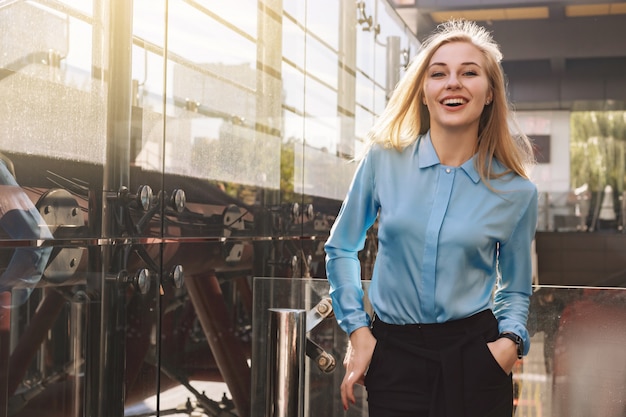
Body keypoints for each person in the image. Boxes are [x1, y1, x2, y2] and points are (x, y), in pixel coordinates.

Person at [324, 19, 538, 417]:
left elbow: (516, 288)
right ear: (424, 92)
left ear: (489, 93)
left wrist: (509, 344)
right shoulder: (382, 160)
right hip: (394, 356)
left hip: (477, 357)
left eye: (469, 73)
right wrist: (358, 332)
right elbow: (341, 248)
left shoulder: (516, 193)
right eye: (439, 73)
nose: (452, 82)